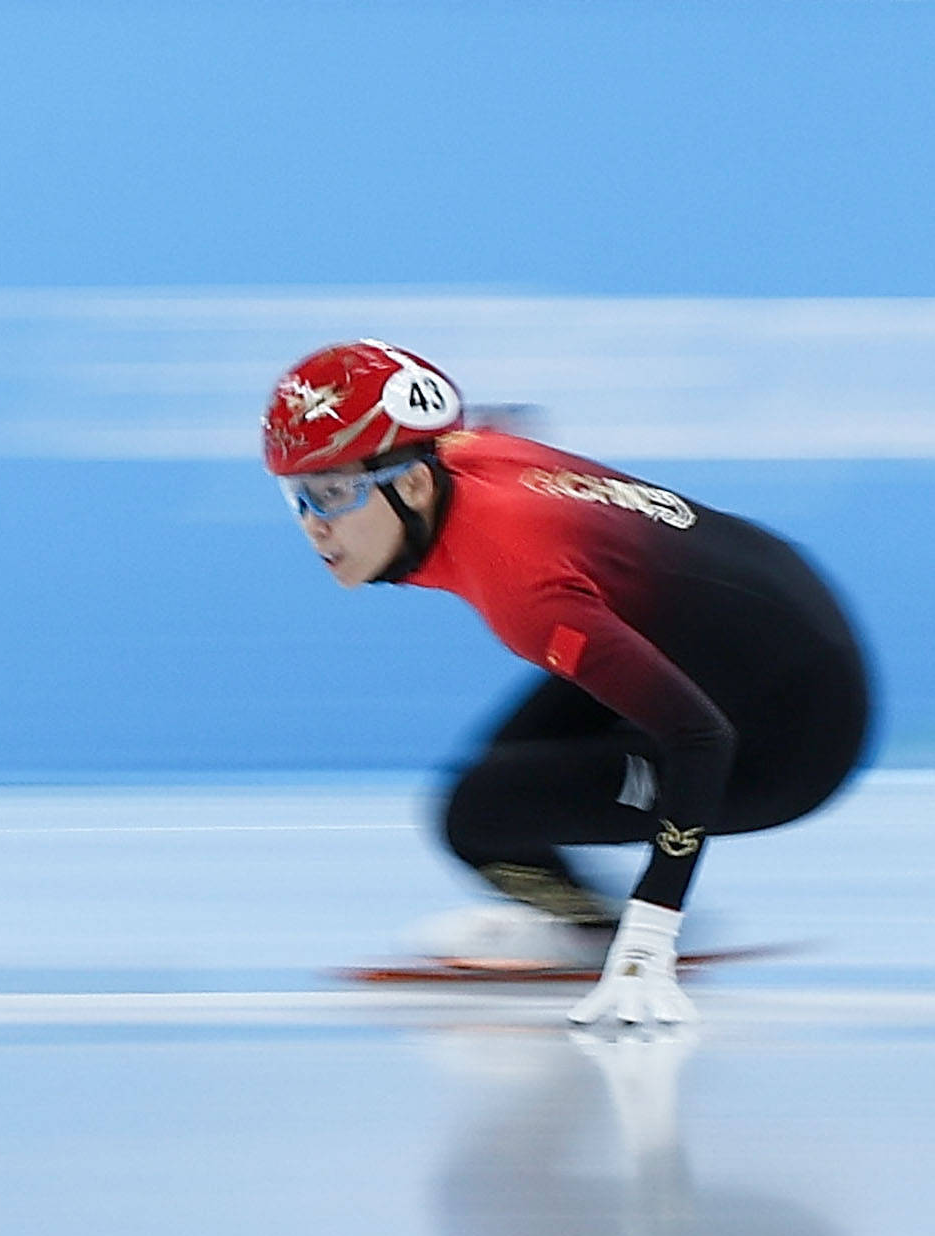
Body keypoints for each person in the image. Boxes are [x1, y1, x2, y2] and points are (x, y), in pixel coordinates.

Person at [263, 340, 875, 1026]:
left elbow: (701, 739)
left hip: (794, 734)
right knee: (499, 775)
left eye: (334, 493)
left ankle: (602, 933)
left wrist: (649, 941)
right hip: (752, 622)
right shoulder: (454, 460)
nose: (314, 526)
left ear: (411, 486)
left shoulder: (522, 584)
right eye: (299, 497)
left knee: (479, 814)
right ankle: (582, 921)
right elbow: (492, 433)